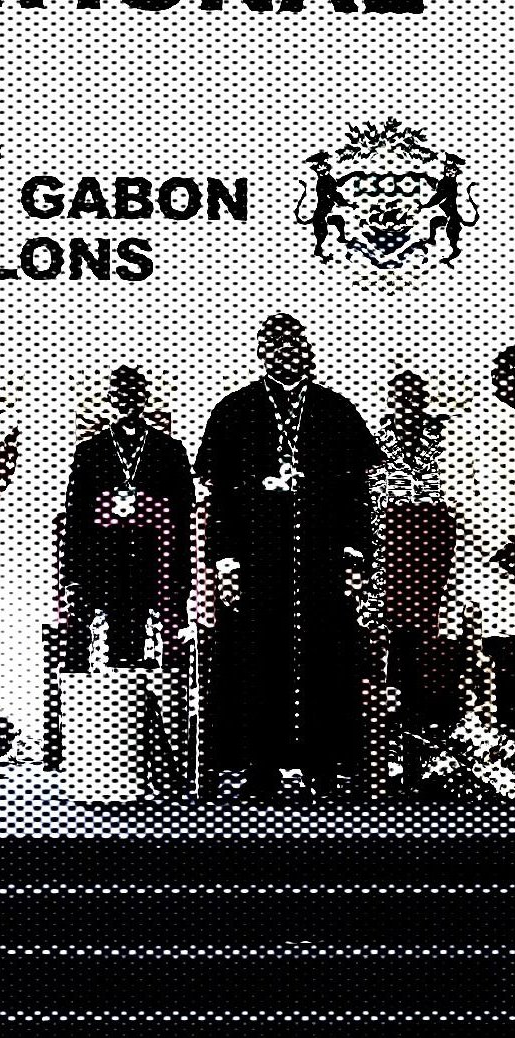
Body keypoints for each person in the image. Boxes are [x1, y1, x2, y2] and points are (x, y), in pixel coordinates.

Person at [195, 315, 381, 798]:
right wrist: (226, 564)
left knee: (326, 660)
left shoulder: (335, 410)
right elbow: (220, 499)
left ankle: (323, 767)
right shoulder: (234, 410)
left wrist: (355, 557)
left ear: (308, 350)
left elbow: (357, 494)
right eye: (273, 345)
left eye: (293, 344)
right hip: (257, 559)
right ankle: (259, 769)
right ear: (261, 353)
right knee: (256, 662)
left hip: (322, 558)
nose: (284, 353)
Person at [60, 366, 194, 672]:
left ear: (144, 399)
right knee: (99, 650)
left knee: (165, 651)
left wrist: (183, 575)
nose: (126, 403)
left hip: (155, 562)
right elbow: (76, 519)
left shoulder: (169, 451)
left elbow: (184, 515)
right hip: (104, 563)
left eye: (133, 396)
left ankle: (163, 699)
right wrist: (72, 577)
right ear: (110, 399)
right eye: (119, 396)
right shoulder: (90, 452)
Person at [367, 373, 464, 768]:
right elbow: (368, 500)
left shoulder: (444, 438)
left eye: (414, 397)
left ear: (423, 400)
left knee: (431, 641)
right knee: (388, 642)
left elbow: (456, 498)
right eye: (400, 397)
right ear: (391, 400)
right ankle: (388, 737)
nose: (408, 404)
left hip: (432, 549)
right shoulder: (374, 440)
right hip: (389, 550)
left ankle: (427, 735)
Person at [438, 347, 515, 724]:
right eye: (509, 373)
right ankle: (486, 732)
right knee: (490, 648)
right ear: (497, 377)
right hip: (487, 559)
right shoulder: (467, 426)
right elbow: (455, 494)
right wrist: (500, 543)